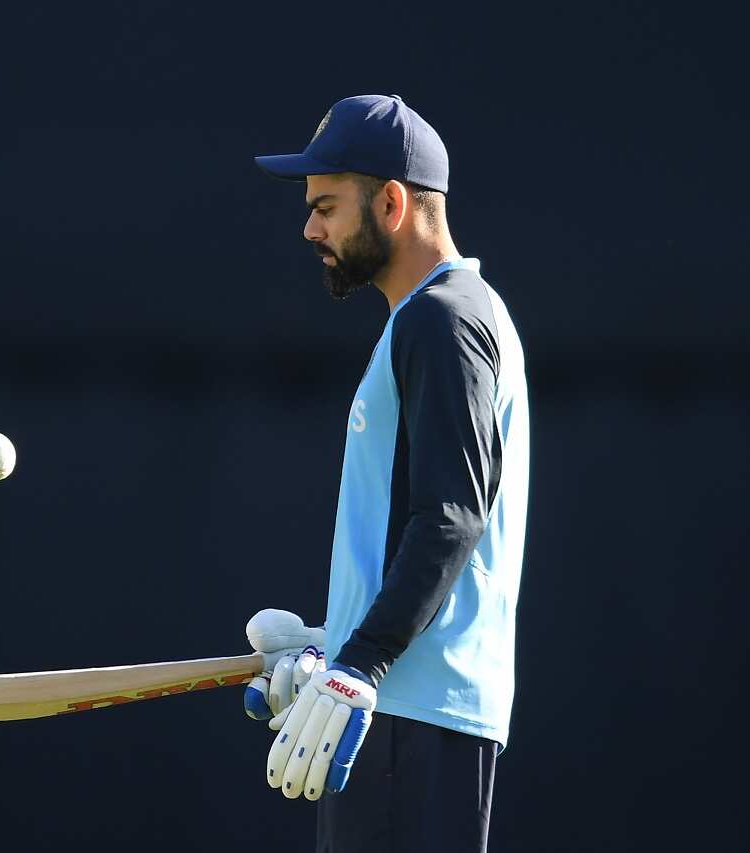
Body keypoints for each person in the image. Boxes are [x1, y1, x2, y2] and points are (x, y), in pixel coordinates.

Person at [241, 94, 531, 853]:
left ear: (393, 202)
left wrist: (363, 662)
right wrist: (339, 640)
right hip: (404, 710)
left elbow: (451, 515)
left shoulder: (445, 318)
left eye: (327, 206)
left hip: (413, 716)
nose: (310, 229)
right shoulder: (439, 315)